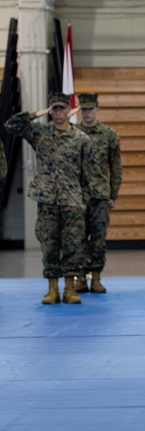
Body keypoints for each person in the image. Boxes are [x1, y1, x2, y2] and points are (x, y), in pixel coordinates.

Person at [5, 93, 96, 304]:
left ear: (68, 111)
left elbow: (88, 173)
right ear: (50, 110)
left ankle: (70, 289)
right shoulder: (40, 133)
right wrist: (38, 113)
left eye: (61, 109)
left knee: (72, 245)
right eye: (54, 109)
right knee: (49, 245)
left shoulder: (81, 139)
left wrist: (85, 200)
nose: (57, 113)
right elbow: (11, 125)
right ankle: (52, 289)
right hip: (47, 199)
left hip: (71, 200)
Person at [73, 93, 122, 294]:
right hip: (79, 196)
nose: (87, 113)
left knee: (99, 240)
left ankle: (96, 277)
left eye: (90, 109)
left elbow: (115, 166)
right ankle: (81, 278)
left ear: (97, 110)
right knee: (79, 239)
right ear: (80, 111)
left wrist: (113, 193)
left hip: (101, 195)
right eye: (83, 110)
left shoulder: (109, 134)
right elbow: (70, 167)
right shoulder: (73, 133)